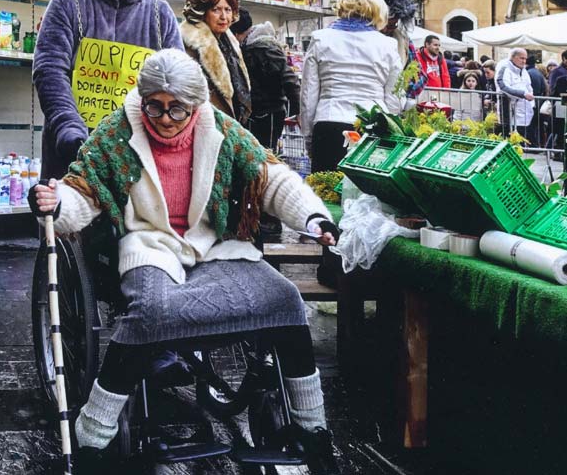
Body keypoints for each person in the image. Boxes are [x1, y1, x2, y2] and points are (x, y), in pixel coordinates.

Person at [28, 49, 341, 472]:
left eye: (177, 108)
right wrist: (55, 201)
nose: (164, 118)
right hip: (149, 242)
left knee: (285, 300)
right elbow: (85, 190)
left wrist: (313, 217)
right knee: (150, 312)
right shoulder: (119, 132)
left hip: (214, 243)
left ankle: (311, 427)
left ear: (196, 104)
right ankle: (93, 432)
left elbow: (270, 178)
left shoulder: (221, 130)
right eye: (154, 106)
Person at [33, 0, 183, 180]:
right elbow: (49, 71)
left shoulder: (161, 15)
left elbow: (178, 83)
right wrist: (68, 126)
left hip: (138, 159)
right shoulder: (69, 3)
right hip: (73, 155)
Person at [300, 0, 402, 172]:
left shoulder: (320, 39)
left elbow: (308, 96)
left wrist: (309, 138)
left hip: (329, 123)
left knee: (325, 194)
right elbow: (394, 98)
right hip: (372, 126)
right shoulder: (388, 45)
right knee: (367, 198)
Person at [180, 0, 252, 124]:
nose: (224, 17)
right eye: (216, 9)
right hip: (203, 125)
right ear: (202, 12)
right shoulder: (191, 45)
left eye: (228, 10)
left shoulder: (230, 43)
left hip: (230, 126)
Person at [230, 9, 299, 152]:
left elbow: (289, 80)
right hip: (257, 113)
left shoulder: (265, 47)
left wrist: (298, 112)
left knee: (265, 155)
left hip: (268, 113)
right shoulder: (249, 47)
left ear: (236, 34)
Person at [375, 0, 426, 102]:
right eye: (384, 24)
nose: (386, 29)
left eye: (392, 25)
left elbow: (420, 75)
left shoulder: (403, 41)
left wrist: (403, 95)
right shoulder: (364, 38)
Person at [495, 48, 536, 144]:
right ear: (513, 57)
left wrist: (531, 104)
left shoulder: (524, 71)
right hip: (508, 112)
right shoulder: (504, 69)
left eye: (525, 59)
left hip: (524, 113)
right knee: (508, 141)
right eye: (521, 58)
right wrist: (523, 94)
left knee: (520, 142)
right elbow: (503, 87)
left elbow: (529, 87)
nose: (524, 61)